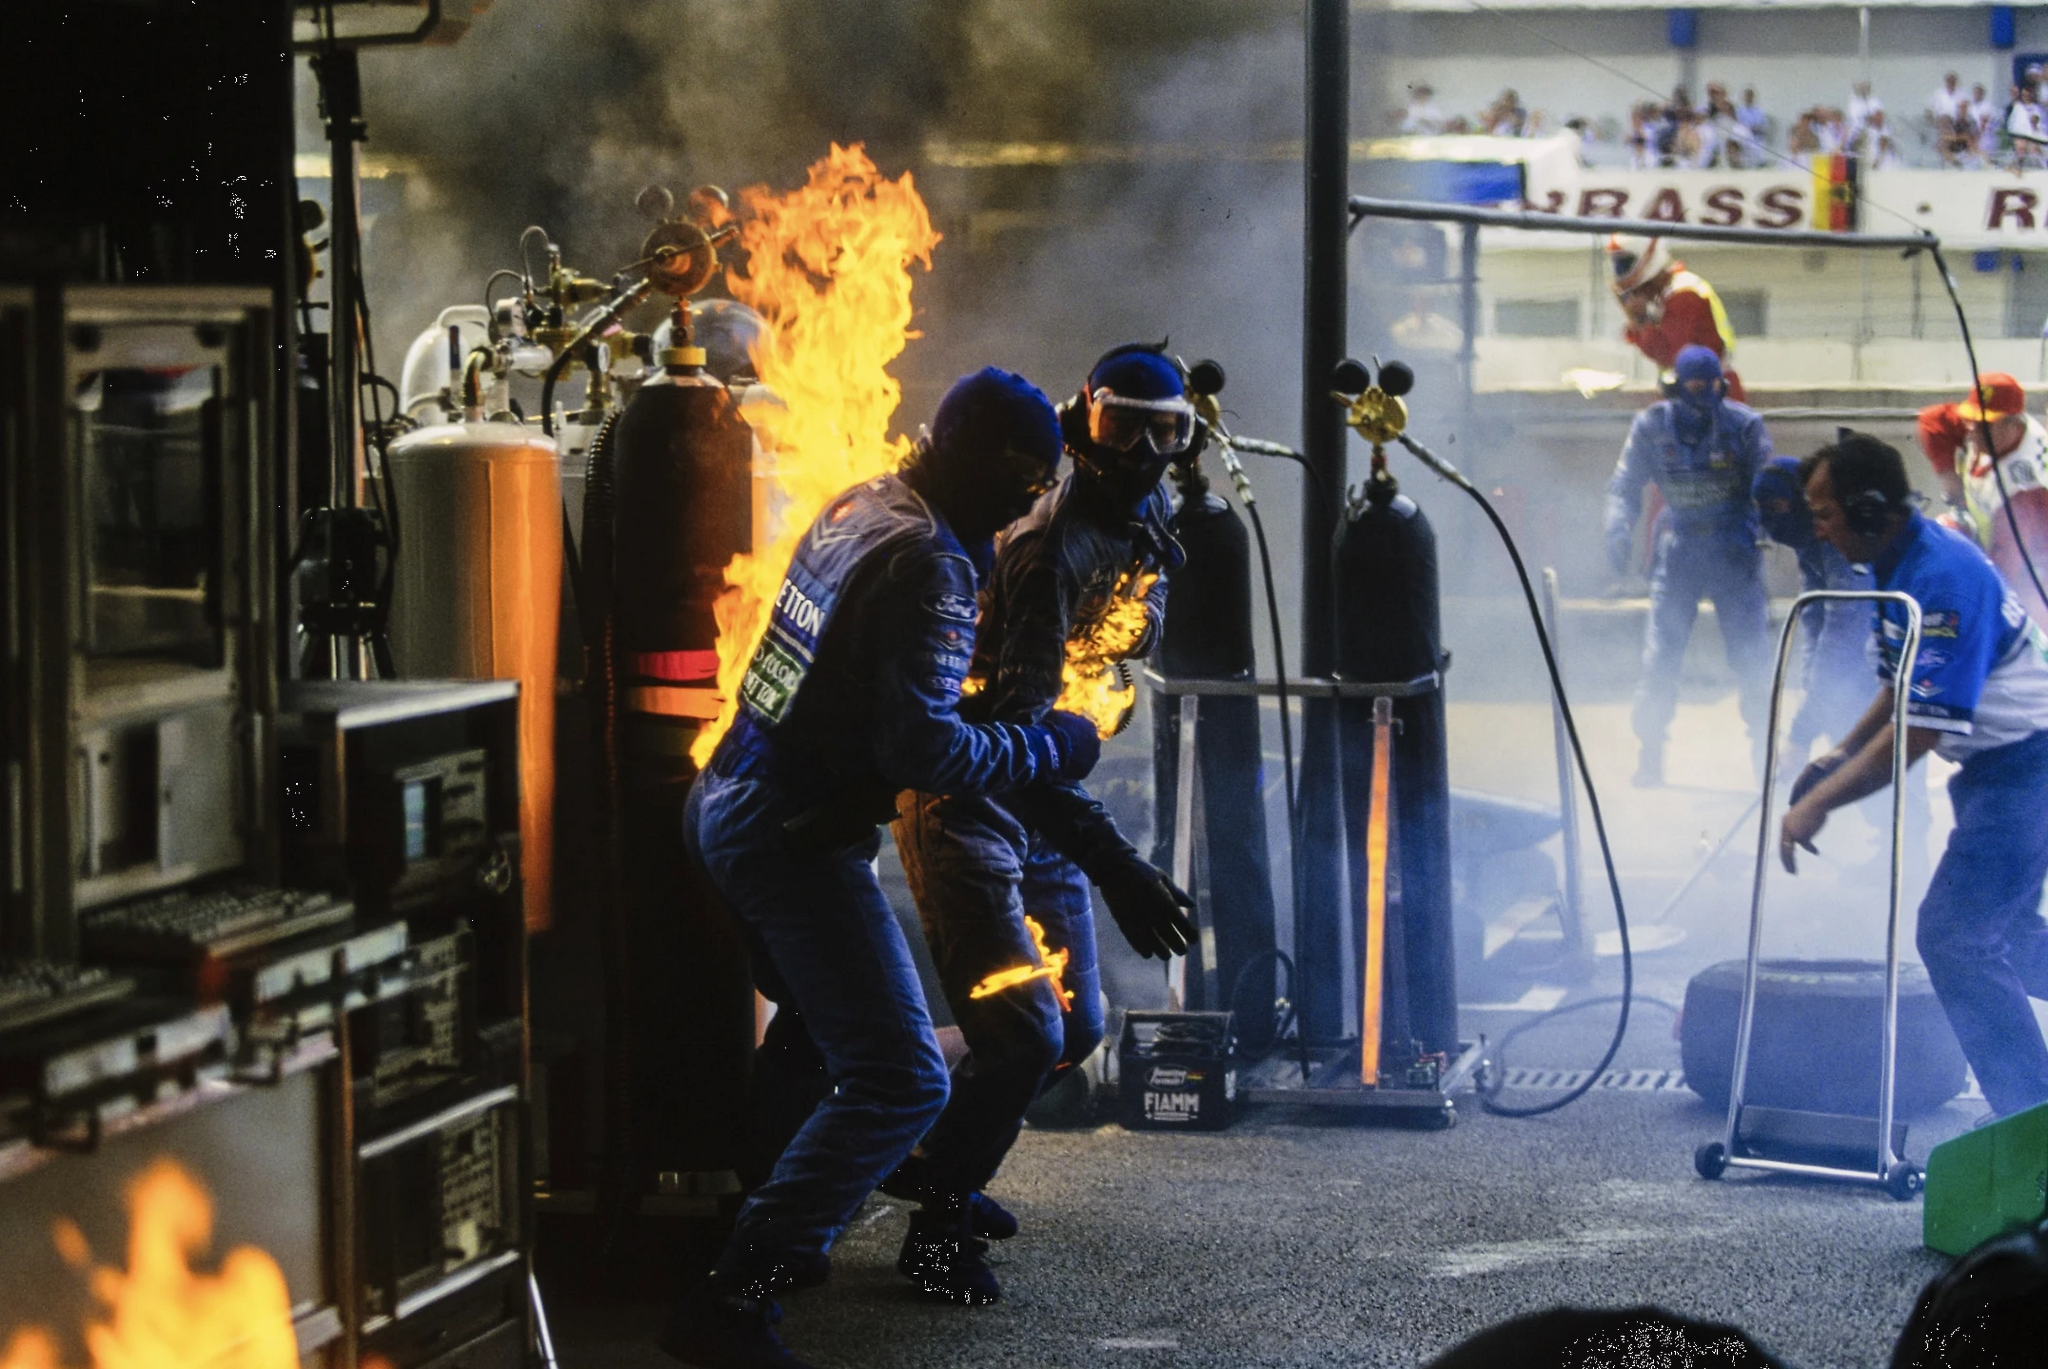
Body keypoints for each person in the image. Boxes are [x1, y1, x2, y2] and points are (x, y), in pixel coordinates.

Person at [659, 368, 1104, 1369]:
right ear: (980, 468)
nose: (1025, 508)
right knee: (900, 1076)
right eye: (1020, 485)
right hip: (786, 836)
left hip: (725, 798)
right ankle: (737, 1292)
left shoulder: (865, 499)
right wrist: (1050, 747)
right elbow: (927, 757)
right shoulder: (930, 566)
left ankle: (770, 1204)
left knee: (819, 1029)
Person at [885, 343, 1197, 1305]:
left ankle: (933, 1157)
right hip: (974, 792)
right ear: (1080, 425)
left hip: (1047, 787)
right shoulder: (1045, 552)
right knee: (1022, 1034)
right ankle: (935, 1227)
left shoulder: (1144, 513)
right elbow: (1014, 746)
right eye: (1123, 426)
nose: (1144, 450)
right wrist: (1116, 864)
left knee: (1077, 1027)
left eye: (1167, 429)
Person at [1780, 433, 2048, 1120]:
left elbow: (1921, 730)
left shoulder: (1944, 576)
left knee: (1954, 935)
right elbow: (1899, 686)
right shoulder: (1896, 565)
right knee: (2009, 937)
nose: (1817, 527)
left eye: (1825, 511)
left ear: (1870, 510)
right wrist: (1840, 754)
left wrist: (1820, 806)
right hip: (2001, 771)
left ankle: (2031, 1120)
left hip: (2029, 765)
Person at [1605, 346, 1775, 786]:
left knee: (1753, 657)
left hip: (1732, 553)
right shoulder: (1651, 426)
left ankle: (1765, 755)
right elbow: (1624, 484)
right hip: (1679, 551)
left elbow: (1769, 486)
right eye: (1691, 390)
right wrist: (1618, 526)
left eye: (1709, 390)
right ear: (1675, 388)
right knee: (1661, 654)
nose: (1700, 401)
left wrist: (1761, 528)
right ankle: (1650, 753)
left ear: (1722, 386)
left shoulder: (1744, 427)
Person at [1915, 372, 2048, 627]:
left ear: (2013, 424)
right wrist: (1947, 477)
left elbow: (2004, 570)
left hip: (2031, 571)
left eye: (1984, 424)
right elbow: (1932, 421)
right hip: (1991, 542)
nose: (1973, 430)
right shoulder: (1986, 430)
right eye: (1971, 419)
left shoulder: (2023, 487)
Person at [1606, 234, 1745, 400]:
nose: (1619, 275)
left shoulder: (1683, 295)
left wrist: (1640, 320)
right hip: (1700, 393)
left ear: (1647, 259)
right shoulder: (1672, 292)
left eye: (1623, 265)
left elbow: (1671, 357)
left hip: (1710, 396)